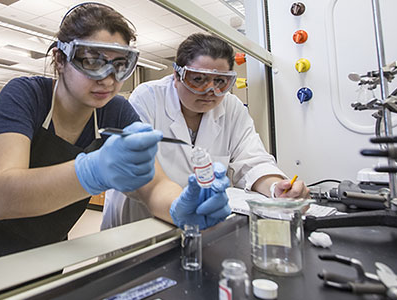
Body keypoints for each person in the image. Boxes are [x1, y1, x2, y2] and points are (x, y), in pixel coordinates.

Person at [0, 3, 232, 274]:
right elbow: (1, 197)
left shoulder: (117, 112)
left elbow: (155, 186)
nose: (108, 78)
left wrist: (182, 206)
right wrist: (93, 170)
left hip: (47, 242)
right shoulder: (25, 95)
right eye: (92, 61)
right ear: (60, 59)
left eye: (120, 64)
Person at [102, 33, 311, 230]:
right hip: (146, 221)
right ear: (177, 75)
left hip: (204, 223)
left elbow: (253, 161)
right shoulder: (148, 98)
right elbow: (138, 169)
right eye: (198, 79)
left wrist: (277, 188)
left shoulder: (231, 107)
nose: (210, 91)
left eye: (220, 81)